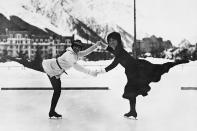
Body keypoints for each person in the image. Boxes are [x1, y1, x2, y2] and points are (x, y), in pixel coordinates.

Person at [97, 32, 189, 119]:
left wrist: (101, 71)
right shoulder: (117, 50)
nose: (111, 42)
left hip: (139, 68)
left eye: (113, 40)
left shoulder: (119, 51)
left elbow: (114, 63)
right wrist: (103, 46)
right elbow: (113, 51)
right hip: (133, 72)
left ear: (118, 40)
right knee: (131, 92)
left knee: (159, 69)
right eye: (109, 41)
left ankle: (176, 62)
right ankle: (133, 111)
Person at [7, 39, 101, 118]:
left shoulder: (76, 54)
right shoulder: (69, 54)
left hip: (55, 73)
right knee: (28, 64)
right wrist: (90, 72)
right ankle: (14, 58)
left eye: (79, 47)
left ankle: (52, 111)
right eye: (75, 46)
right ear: (72, 46)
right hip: (48, 66)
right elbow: (76, 66)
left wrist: (96, 45)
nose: (77, 48)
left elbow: (86, 52)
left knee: (57, 91)